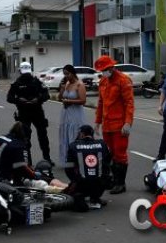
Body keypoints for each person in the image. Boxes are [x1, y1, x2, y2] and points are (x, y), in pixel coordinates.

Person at [93, 55, 135, 194]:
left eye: (104, 69)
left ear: (111, 67)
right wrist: (97, 122)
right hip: (107, 124)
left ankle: (120, 183)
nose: (103, 72)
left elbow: (129, 103)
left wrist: (128, 123)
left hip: (120, 125)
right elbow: (100, 103)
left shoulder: (123, 80)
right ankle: (113, 180)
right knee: (108, 153)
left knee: (120, 154)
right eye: (101, 70)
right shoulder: (103, 81)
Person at [7, 62, 52, 166]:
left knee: (43, 136)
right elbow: (9, 98)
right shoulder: (16, 83)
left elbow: (46, 95)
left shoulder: (37, 81)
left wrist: (38, 99)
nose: (26, 75)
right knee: (25, 138)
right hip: (23, 113)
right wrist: (19, 100)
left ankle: (47, 158)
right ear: (20, 72)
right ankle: (28, 161)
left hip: (37, 111)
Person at [64, 124, 112, 211]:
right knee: (104, 173)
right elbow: (108, 163)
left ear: (82, 134)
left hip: (82, 185)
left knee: (68, 195)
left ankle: (80, 195)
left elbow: (68, 168)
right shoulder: (103, 144)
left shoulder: (73, 146)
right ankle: (95, 197)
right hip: (100, 184)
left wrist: (75, 180)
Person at [57, 64, 87, 165]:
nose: (66, 76)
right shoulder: (66, 84)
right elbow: (60, 98)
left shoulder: (80, 84)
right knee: (65, 135)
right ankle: (67, 158)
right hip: (66, 113)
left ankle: (77, 159)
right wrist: (61, 88)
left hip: (76, 114)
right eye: (64, 74)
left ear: (73, 73)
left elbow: (83, 101)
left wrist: (70, 101)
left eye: (67, 74)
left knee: (74, 135)